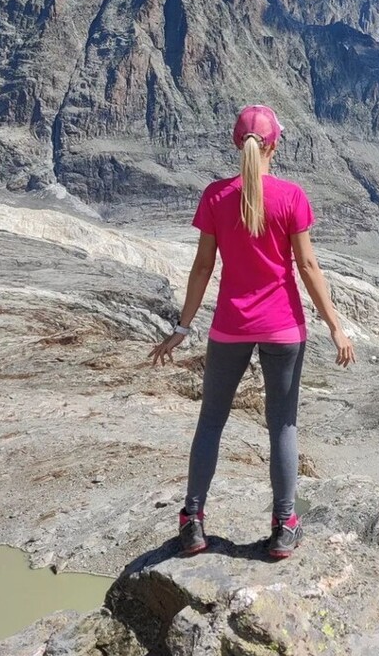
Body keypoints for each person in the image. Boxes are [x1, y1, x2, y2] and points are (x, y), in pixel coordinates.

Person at [149, 105, 355, 559]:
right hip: (283, 328)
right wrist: (335, 326)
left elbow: (203, 267)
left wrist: (182, 327)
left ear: (233, 141)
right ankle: (284, 526)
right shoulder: (291, 197)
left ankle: (193, 524)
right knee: (282, 425)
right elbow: (307, 266)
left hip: (229, 328)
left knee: (211, 422)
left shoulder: (215, 197)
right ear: (275, 145)